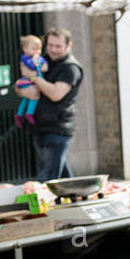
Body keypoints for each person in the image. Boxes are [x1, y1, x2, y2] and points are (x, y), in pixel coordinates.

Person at [17, 28, 82, 181]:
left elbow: (55, 94)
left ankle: (40, 202)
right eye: (50, 45)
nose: (52, 49)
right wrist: (22, 91)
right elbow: (20, 83)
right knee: (63, 175)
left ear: (68, 45)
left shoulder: (71, 68)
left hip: (57, 129)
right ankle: (78, 196)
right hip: (39, 126)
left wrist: (33, 78)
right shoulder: (41, 59)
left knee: (47, 177)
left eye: (58, 46)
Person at [13, 34, 47, 128]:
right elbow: (32, 66)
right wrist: (36, 63)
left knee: (27, 98)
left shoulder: (37, 57)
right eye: (34, 49)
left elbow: (45, 66)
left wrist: (40, 64)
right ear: (25, 49)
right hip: (26, 82)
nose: (37, 52)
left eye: (39, 49)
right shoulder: (25, 58)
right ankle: (29, 113)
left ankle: (19, 114)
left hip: (32, 81)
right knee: (34, 96)